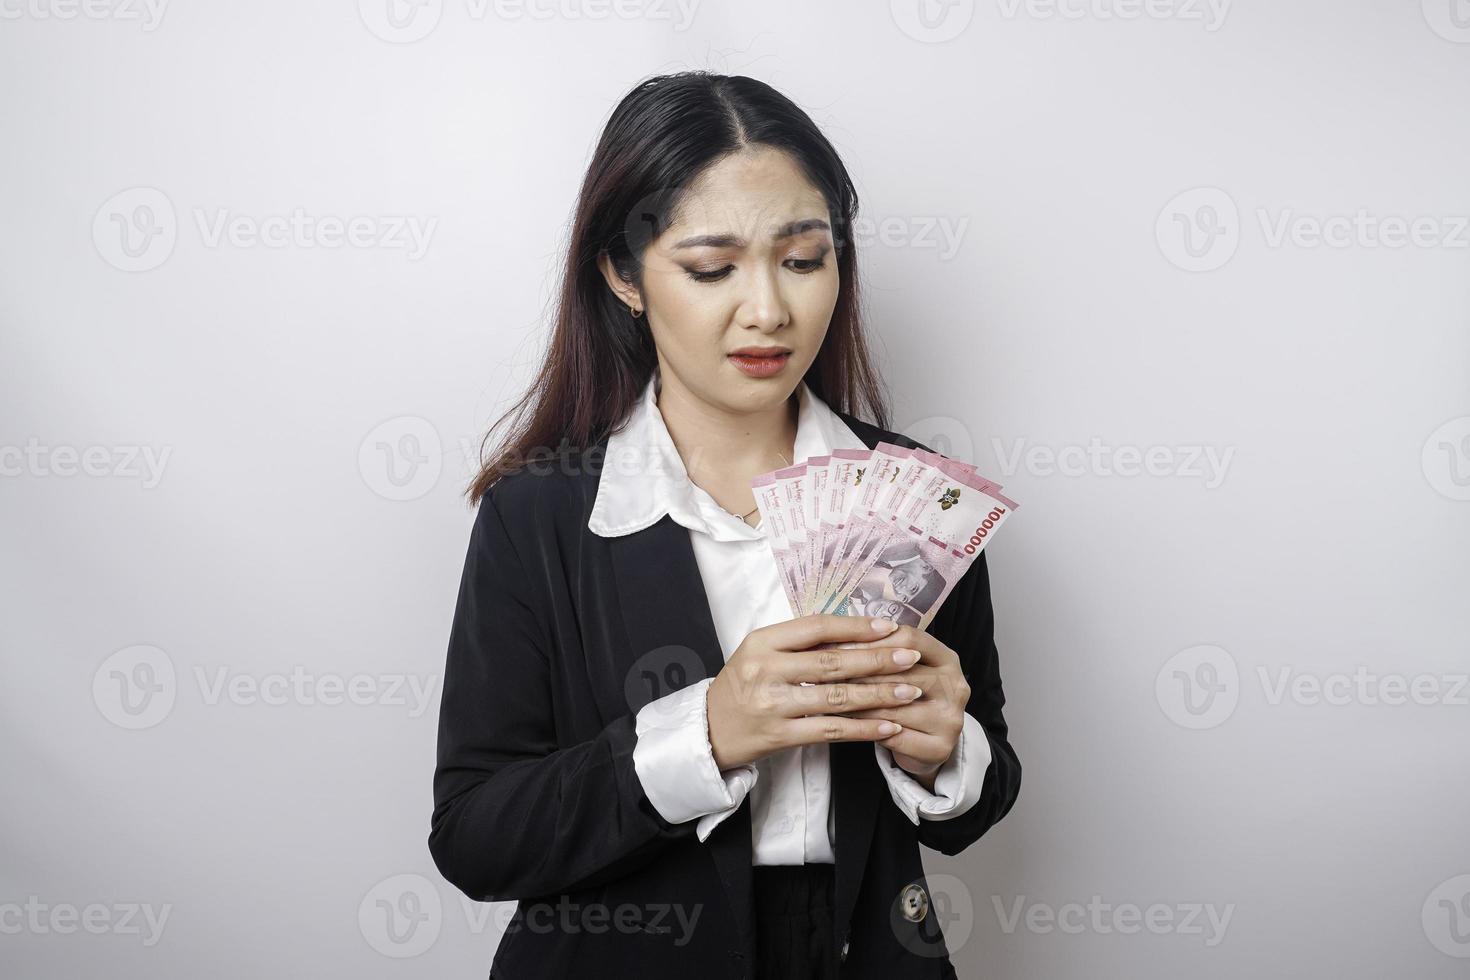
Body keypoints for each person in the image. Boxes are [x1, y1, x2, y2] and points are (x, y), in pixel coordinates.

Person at [429, 70, 1021, 980]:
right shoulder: (539, 515)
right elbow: (475, 836)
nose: (769, 311)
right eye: (711, 269)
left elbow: (985, 796)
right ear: (624, 276)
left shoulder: (914, 500)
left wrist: (948, 749)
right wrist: (707, 730)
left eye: (803, 258)